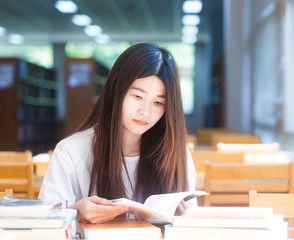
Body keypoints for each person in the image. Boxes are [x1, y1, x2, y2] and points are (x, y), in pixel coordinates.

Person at [39, 43, 197, 225]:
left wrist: (184, 221)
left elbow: (192, 228)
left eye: (158, 103)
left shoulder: (178, 157)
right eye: (137, 96)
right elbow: (45, 225)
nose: (145, 112)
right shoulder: (71, 152)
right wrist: (76, 213)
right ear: (116, 91)